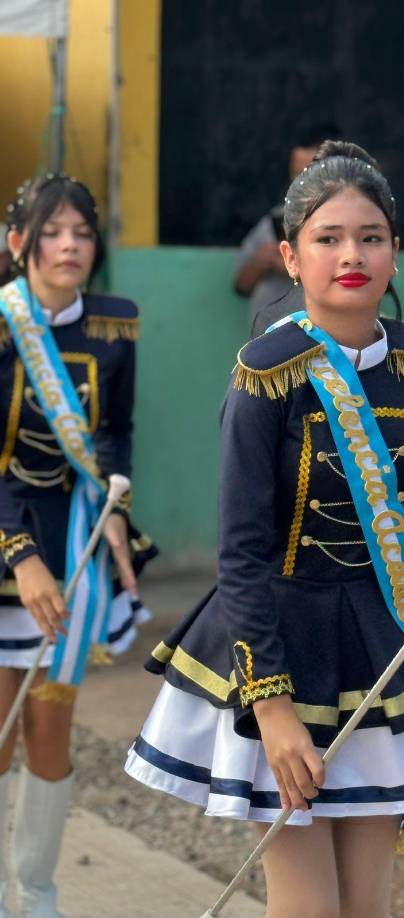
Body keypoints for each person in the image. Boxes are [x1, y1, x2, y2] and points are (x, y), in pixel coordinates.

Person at [125, 141, 404, 918]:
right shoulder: (268, 373)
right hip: (281, 653)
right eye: (327, 239)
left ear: (395, 252)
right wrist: (270, 710)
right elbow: (242, 553)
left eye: (370, 236)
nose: (350, 254)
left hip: (376, 647)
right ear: (290, 258)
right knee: (308, 909)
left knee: (368, 906)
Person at [0, 175, 156, 917]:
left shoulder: (115, 325)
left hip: (75, 542)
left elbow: (114, 429)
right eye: (51, 232)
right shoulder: (2, 325)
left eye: (82, 233)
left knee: (51, 726)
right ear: (17, 245)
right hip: (8, 542)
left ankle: (35, 896)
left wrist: (117, 501)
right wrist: (21, 556)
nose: (68, 246)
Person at [234, 126, 339, 337]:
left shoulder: (351, 224)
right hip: (268, 348)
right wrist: (259, 264)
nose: (300, 184)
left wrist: (296, 267)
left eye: (309, 175)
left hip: (328, 350)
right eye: (296, 175)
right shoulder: (274, 220)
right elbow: (240, 286)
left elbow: (373, 283)